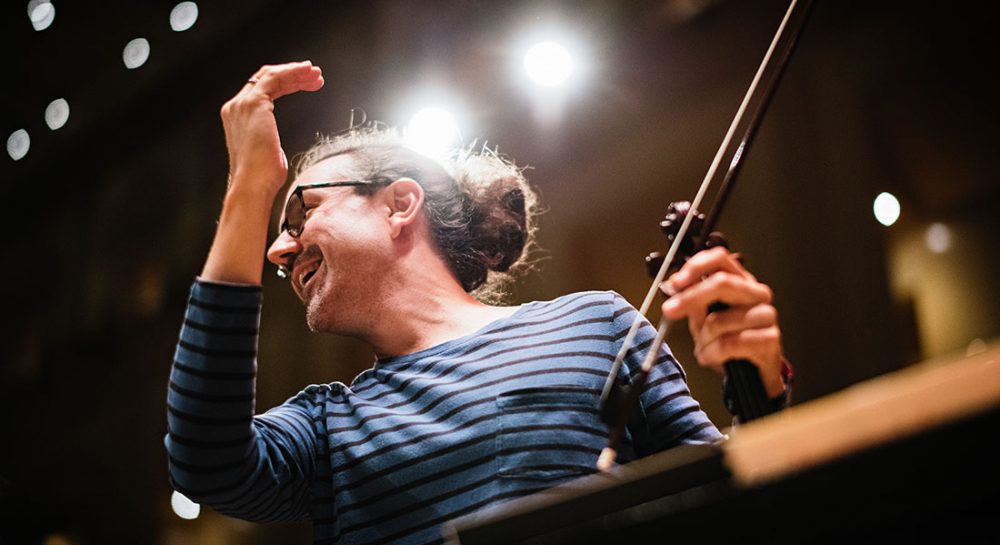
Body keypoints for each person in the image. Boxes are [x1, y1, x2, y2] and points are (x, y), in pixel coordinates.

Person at [165, 61, 789, 545]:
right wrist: (250, 185)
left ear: (398, 205)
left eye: (302, 212)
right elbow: (206, 462)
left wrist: (755, 390)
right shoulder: (328, 427)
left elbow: (734, 508)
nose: (276, 249)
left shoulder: (593, 324)